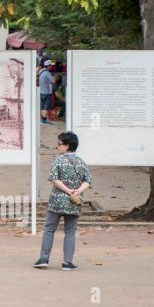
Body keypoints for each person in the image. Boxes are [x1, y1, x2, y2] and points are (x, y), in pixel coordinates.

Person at [34, 131, 91, 271]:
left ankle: (44, 258)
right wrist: (77, 191)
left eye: (59, 144)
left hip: (57, 201)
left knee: (49, 229)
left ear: (67, 146)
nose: (57, 146)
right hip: (74, 202)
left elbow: (54, 179)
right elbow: (87, 181)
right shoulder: (82, 162)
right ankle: (67, 262)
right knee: (70, 231)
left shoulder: (58, 161)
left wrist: (67, 190)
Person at [38, 59, 55, 125]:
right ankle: (44, 120)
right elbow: (53, 80)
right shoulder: (47, 73)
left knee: (42, 106)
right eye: (51, 65)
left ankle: (42, 119)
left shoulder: (41, 71)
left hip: (41, 92)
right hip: (46, 92)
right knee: (46, 107)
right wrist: (55, 76)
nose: (51, 67)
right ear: (48, 66)